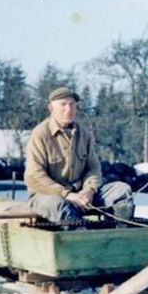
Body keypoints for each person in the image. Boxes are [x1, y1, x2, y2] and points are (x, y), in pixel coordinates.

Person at [24, 86, 134, 225]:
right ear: (51, 108)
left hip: (82, 196)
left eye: (72, 104)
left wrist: (89, 190)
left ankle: (120, 234)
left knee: (121, 190)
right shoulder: (40, 134)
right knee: (57, 203)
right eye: (63, 104)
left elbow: (94, 168)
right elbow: (34, 176)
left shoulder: (83, 133)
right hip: (49, 196)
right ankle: (81, 234)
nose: (68, 109)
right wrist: (67, 195)